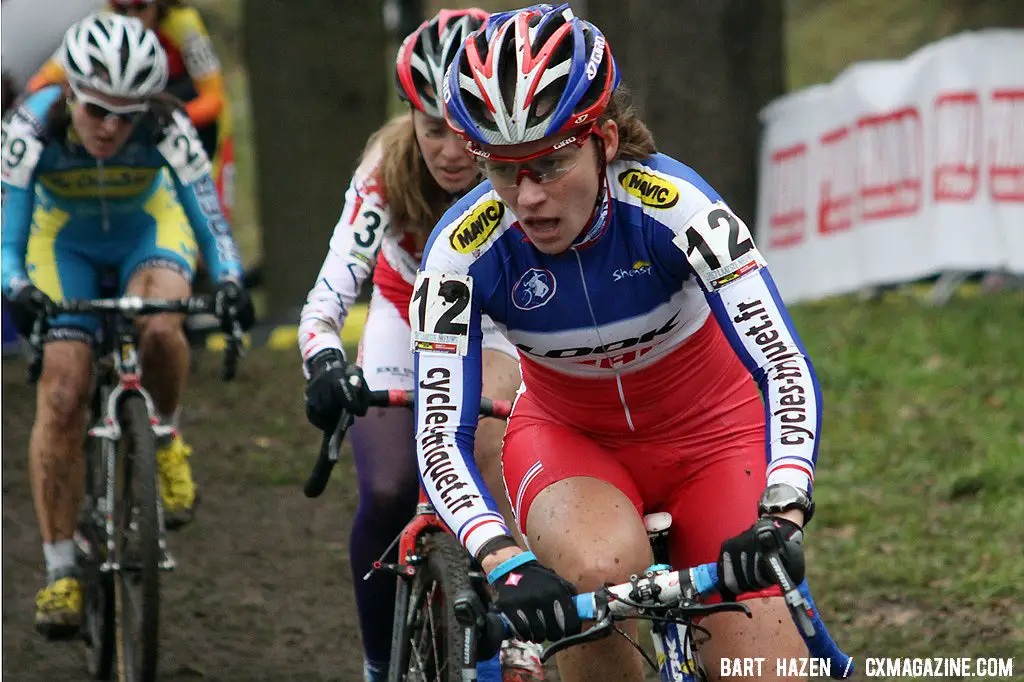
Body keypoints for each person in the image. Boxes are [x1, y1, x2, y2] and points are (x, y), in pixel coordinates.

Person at [413, 4, 818, 681]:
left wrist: (784, 509)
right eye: (502, 170)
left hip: (714, 435)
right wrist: (499, 559)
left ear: (601, 138)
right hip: (573, 441)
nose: (528, 196)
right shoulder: (462, 250)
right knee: (597, 584)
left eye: (549, 162)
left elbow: (781, 362)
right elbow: (437, 433)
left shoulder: (676, 208)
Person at [297, 9, 542, 682]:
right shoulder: (387, 168)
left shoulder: (525, 161)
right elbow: (328, 292)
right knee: (386, 488)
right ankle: (381, 663)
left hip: (495, 321)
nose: (452, 150)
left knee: (493, 451)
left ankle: (511, 642)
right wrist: (322, 359)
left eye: (467, 128)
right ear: (411, 120)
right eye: (434, 129)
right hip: (405, 314)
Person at [1, 13, 252, 639]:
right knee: (63, 390)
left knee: (164, 327)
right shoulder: (32, 123)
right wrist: (17, 288)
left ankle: (163, 437)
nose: (112, 126)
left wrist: (229, 282)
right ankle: (60, 568)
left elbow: (209, 220)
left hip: (148, 231)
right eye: (97, 110)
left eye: (126, 113)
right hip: (65, 245)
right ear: (71, 91)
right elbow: (8, 234)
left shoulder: (166, 123)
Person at [26, 0, 235, 222]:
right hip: (132, 121)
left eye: (141, 8)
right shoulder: (101, 21)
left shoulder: (183, 23)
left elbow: (214, 99)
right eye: (121, 9)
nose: (132, 17)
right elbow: (41, 82)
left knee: (212, 217)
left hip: (201, 131)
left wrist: (165, 122)